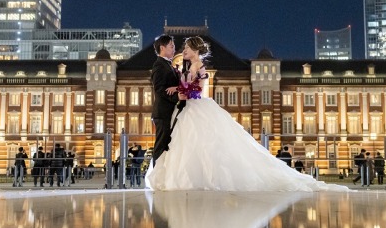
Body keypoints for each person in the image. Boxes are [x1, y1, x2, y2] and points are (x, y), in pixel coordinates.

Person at [145, 36, 346, 192]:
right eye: (176, 47)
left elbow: (197, 90)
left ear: (195, 49)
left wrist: (181, 92)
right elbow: (171, 87)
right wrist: (179, 89)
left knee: (201, 145)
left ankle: (199, 179)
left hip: (194, 108)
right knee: (185, 146)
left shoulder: (199, 67)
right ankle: (180, 178)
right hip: (183, 111)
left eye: (185, 48)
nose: (181, 50)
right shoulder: (179, 66)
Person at [151, 34, 184, 163]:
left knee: (167, 144)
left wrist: (177, 87)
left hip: (169, 112)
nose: (174, 49)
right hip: (163, 112)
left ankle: (162, 175)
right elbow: (159, 89)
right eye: (172, 46)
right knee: (161, 145)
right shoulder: (159, 65)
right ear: (162, 47)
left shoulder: (168, 65)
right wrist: (177, 97)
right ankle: (155, 178)